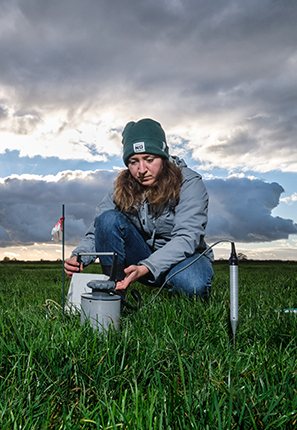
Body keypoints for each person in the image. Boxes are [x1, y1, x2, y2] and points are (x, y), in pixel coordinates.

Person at [64, 118, 213, 299]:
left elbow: (187, 237)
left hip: (185, 258)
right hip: (141, 256)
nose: (141, 170)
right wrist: (78, 257)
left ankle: (178, 286)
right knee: (108, 218)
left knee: (193, 285)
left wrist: (147, 267)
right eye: (134, 161)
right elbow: (99, 228)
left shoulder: (189, 183)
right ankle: (114, 296)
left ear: (163, 157)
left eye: (149, 159)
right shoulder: (123, 187)